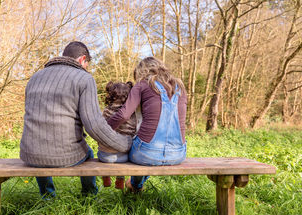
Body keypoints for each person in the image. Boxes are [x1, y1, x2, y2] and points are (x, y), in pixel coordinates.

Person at [20, 41, 132, 198]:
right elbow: (94, 126)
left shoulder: (35, 77)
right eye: (87, 64)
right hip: (64, 156)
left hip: (29, 153)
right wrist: (124, 144)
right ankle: (89, 195)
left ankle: (47, 196)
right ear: (82, 59)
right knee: (88, 153)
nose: (87, 68)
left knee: (40, 146)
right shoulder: (84, 78)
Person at [108, 57, 187, 193]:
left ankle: (135, 185)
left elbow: (124, 115)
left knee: (140, 147)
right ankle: (135, 185)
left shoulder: (142, 85)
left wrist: (104, 129)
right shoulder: (180, 86)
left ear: (141, 72)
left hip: (146, 154)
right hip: (178, 154)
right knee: (151, 151)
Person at [98, 81, 137, 189]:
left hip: (105, 157)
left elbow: (101, 130)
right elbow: (133, 132)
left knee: (104, 144)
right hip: (124, 157)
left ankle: (105, 176)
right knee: (128, 142)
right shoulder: (131, 114)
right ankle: (120, 179)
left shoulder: (106, 111)